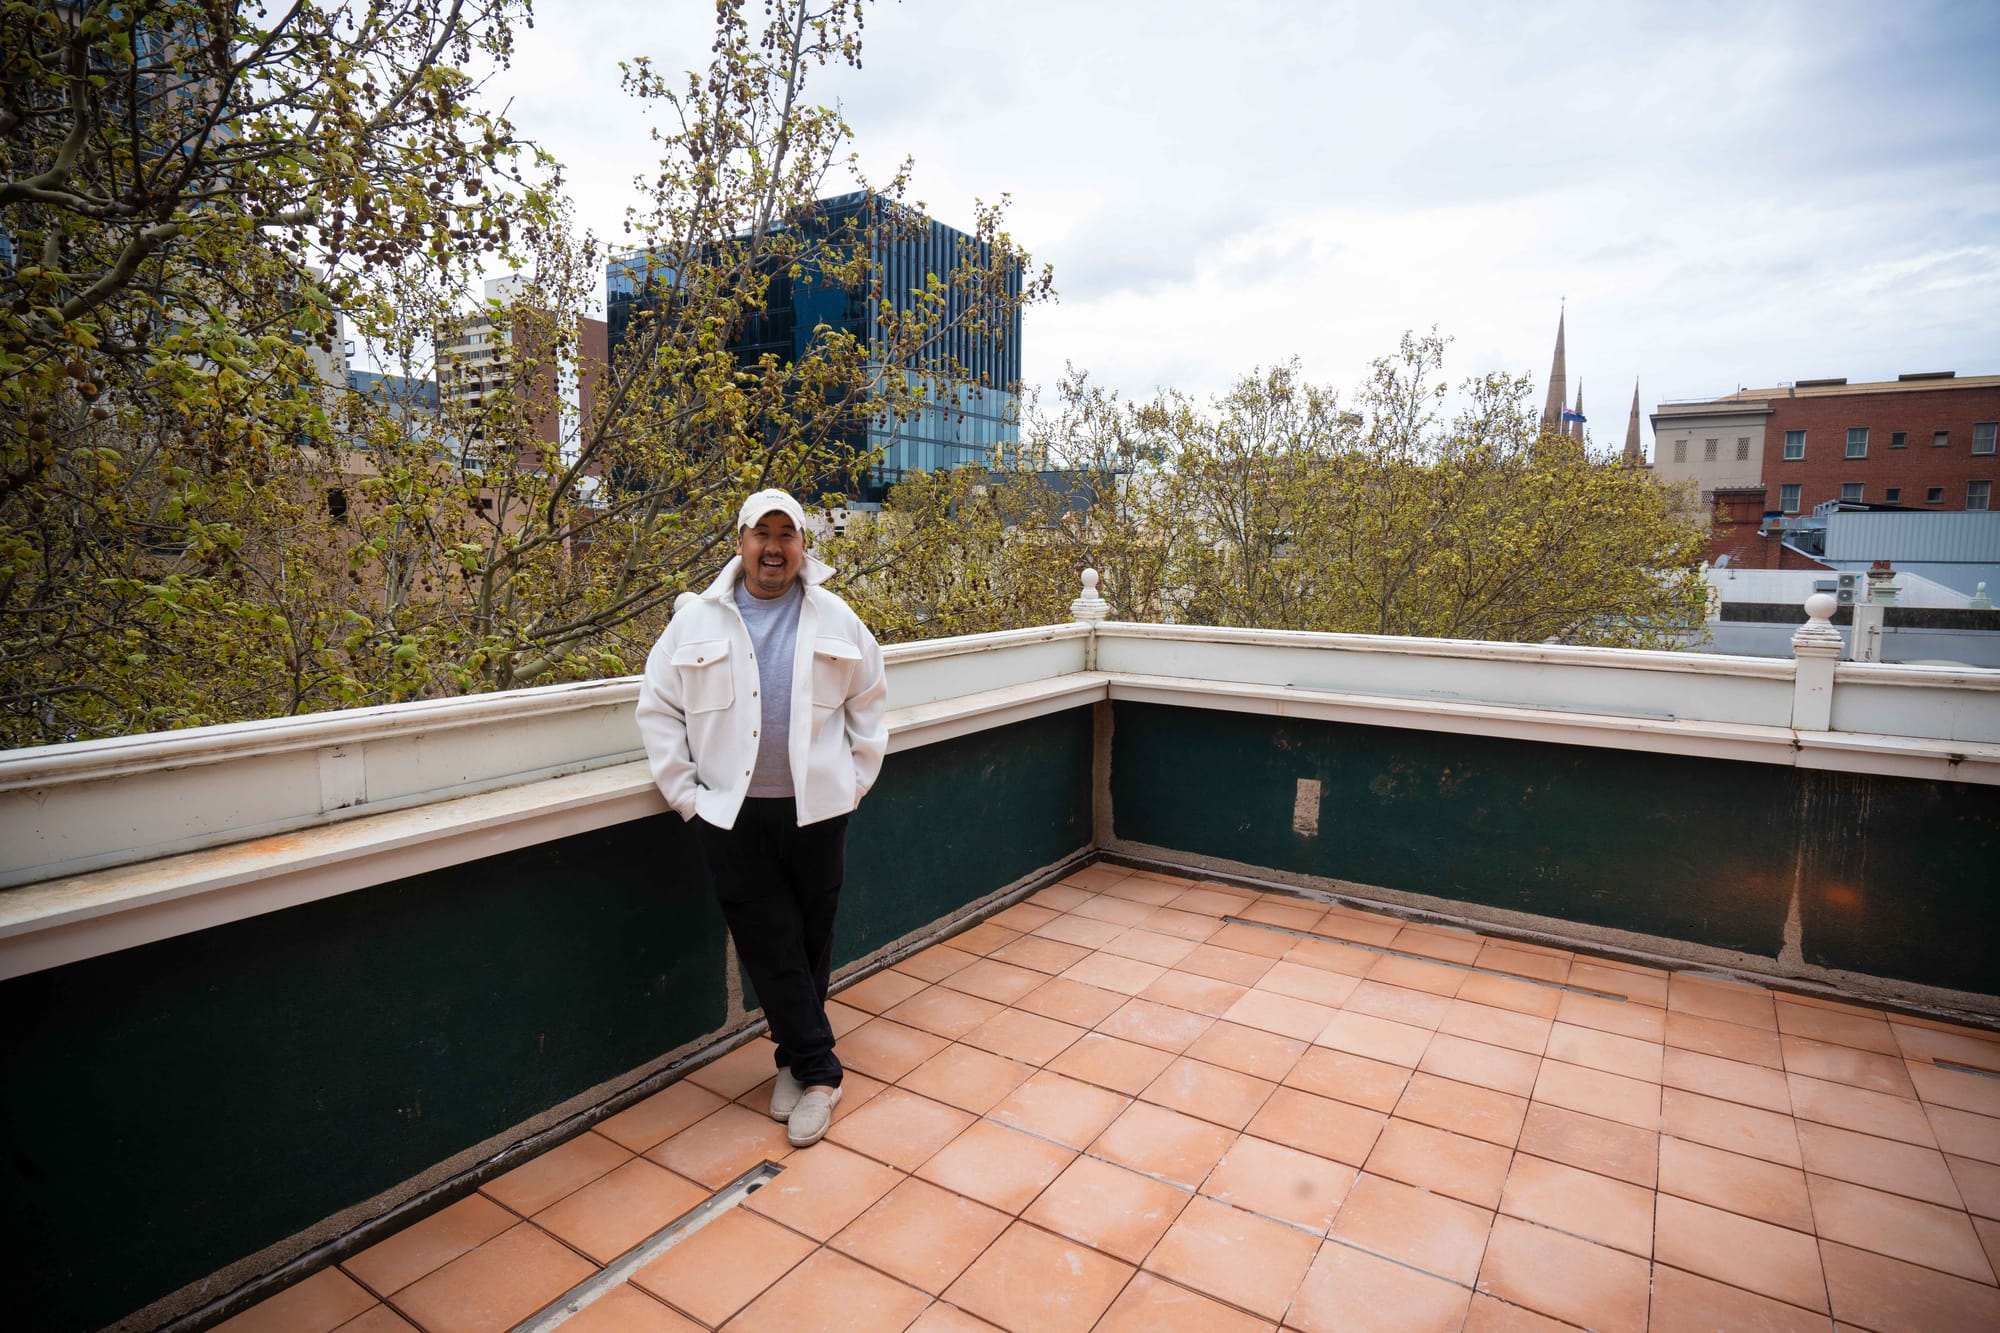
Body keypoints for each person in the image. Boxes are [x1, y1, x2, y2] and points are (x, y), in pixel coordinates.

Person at [635, 489, 887, 1147]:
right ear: (741, 540)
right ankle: (823, 1072)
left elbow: (870, 704)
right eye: (760, 533)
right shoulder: (695, 624)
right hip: (727, 812)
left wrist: (852, 785)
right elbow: (658, 708)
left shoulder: (836, 616)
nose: (773, 547)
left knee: (809, 941)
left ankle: (792, 1061)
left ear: (803, 545)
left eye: (786, 534)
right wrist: (687, 797)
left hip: (818, 811)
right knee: (768, 940)